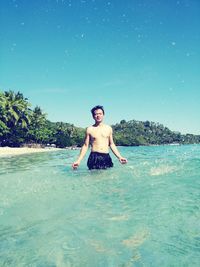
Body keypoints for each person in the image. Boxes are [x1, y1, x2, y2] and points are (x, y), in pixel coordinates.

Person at [72, 105, 127, 170]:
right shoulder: (90, 129)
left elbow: (112, 144)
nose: (98, 116)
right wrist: (78, 160)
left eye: (100, 114)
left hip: (106, 156)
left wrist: (119, 157)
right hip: (94, 157)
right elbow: (85, 146)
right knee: (94, 178)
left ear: (103, 115)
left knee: (108, 178)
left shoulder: (108, 128)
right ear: (93, 116)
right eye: (96, 114)